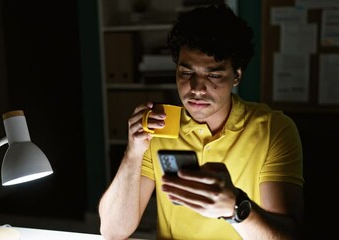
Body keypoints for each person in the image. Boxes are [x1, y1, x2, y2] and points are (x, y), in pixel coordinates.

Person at [98, 3, 304, 240]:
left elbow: (286, 236)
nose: (196, 89)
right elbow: (112, 231)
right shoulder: (159, 127)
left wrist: (235, 208)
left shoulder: (273, 129)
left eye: (214, 75)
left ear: (236, 75)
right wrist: (132, 154)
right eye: (186, 73)